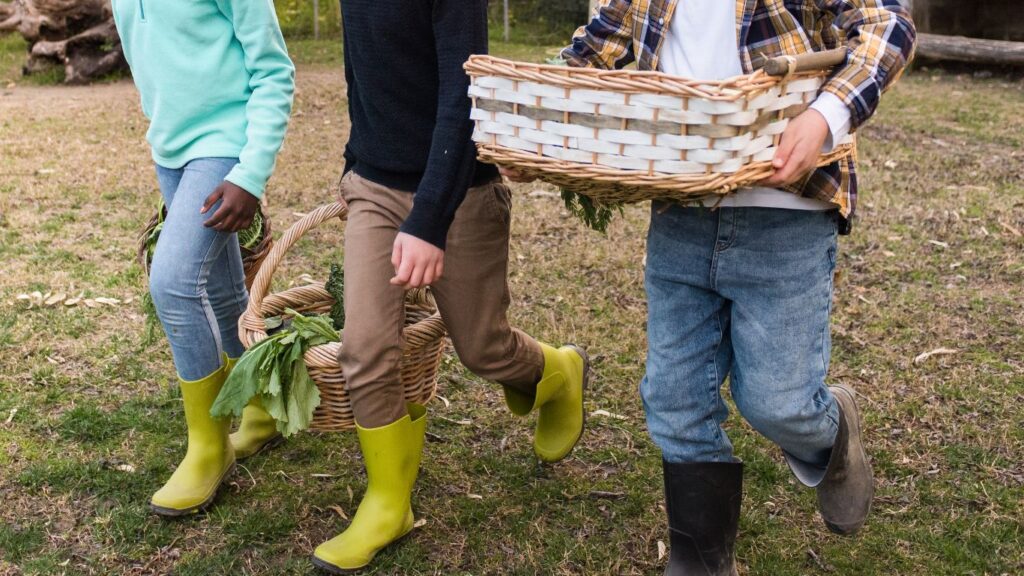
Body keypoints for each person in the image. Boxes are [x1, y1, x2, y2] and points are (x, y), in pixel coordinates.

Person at [528, 1, 914, 573]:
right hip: (682, 211)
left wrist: (824, 116)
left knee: (777, 403)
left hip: (785, 216)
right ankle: (701, 563)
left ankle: (833, 433)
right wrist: (540, 126)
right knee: (675, 402)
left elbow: (889, 26)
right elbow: (592, 55)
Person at [308, 1, 590, 573]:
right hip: (375, 187)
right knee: (363, 349)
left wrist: (429, 219)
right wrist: (353, 164)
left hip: (460, 192)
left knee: (482, 348)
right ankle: (389, 503)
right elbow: (361, 73)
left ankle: (556, 371)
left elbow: (464, 96)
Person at [111, 0, 294, 516]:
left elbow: (274, 70)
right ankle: (260, 409)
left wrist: (249, 172)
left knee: (172, 285)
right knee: (223, 290)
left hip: (224, 149)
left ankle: (210, 449)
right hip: (169, 151)